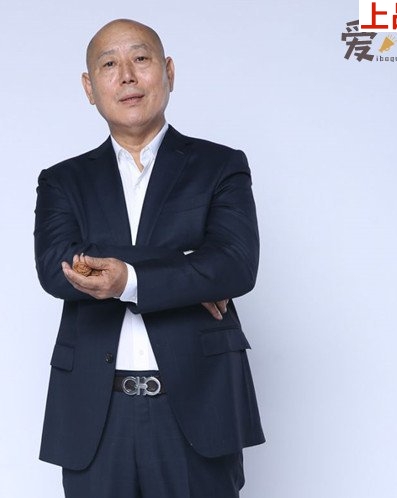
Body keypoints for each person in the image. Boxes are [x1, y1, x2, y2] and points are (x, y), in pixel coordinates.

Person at [34, 19, 264, 498]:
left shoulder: (220, 166)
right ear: (89, 88)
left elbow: (235, 264)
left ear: (169, 71)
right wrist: (186, 270)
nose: (127, 76)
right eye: (109, 64)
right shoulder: (62, 180)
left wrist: (130, 278)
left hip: (197, 408)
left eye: (140, 59)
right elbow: (57, 267)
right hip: (96, 416)